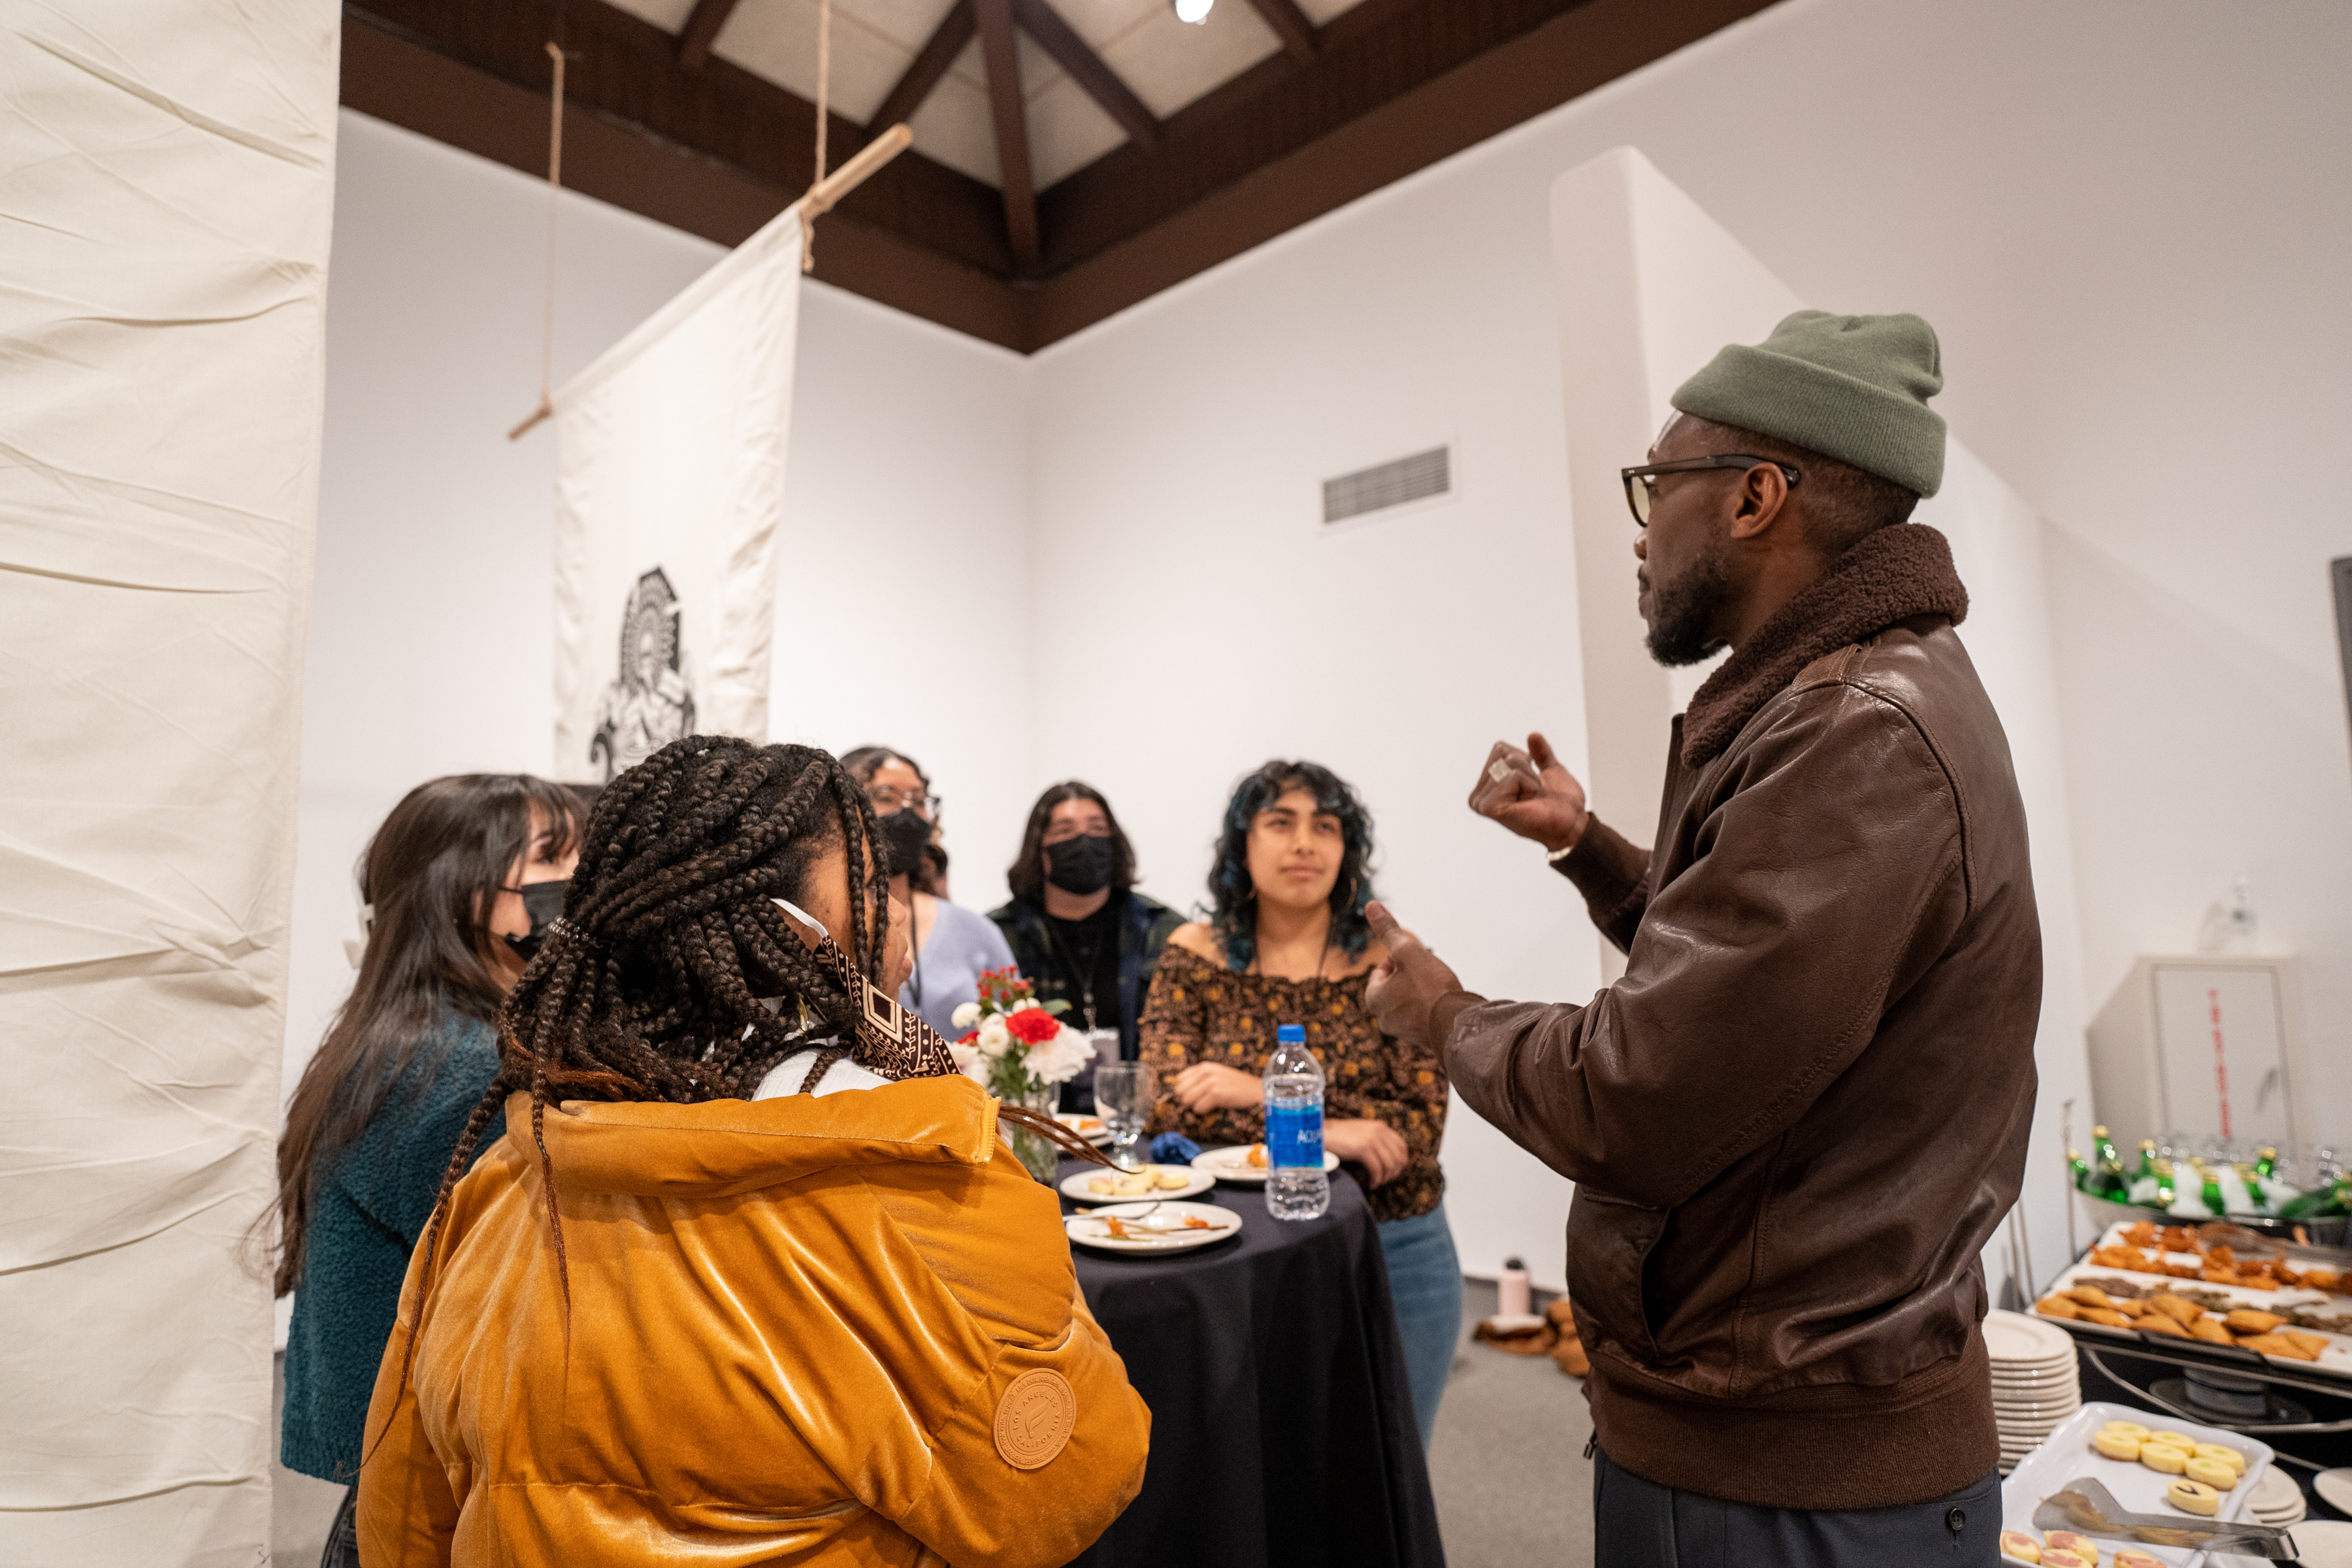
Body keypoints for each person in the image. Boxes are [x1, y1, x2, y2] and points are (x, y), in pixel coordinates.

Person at [1364, 311, 2038, 1564]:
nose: (1639, 528)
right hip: (1797, 1444)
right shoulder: (1862, 698)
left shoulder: (1855, 735)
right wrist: (1589, 847)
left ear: (1754, 498)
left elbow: (1641, 1094)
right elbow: (1763, 995)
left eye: (1655, 485)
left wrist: (1444, 1014)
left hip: (1782, 1472)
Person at [355, 736, 1150, 1566]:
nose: (902, 913)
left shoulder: (502, 1180)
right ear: (809, 935)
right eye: (875, 886)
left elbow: (403, 1516)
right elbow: (1065, 1487)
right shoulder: (924, 1182)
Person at [274, 774, 582, 1565]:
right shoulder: (458, 1067)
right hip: (428, 1495)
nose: (578, 881)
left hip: (417, 1477)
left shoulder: (420, 1038)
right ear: (462, 893)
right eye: (552, 857)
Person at [1139, 759, 1458, 1448]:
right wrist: (1341, 1129)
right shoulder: (1191, 955)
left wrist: (1251, 1088)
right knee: (1276, 1478)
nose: (1305, 843)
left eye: (1326, 826)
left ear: (1347, 851)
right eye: (1280, 823)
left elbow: (1414, 1131)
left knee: (1390, 1468)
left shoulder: (1395, 963)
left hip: (1395, 1244)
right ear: (1241, 844)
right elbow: (1168, 1105)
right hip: (1242, 1250)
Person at [989, 782, 1183, 1072]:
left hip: (1138, 1107)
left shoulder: (1164, 929)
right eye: (1064, 831)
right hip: (1034, 1110)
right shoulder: (1000, 934)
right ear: (1038, 850)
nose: (1084, 841)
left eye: (1097, 829)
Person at [840, 744, 1013, 1037]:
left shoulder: (976, 931)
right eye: (886, 797)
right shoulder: (821, 925)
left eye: (918, 800)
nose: (907, 811)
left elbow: (1017, 1040)